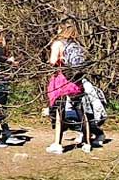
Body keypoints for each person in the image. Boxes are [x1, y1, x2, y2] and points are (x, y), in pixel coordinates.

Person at [46, 22, 91, 155]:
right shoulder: (77, 45)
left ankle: (57, 144)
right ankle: (87, 142)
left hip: (62, 79)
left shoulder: (58, 44)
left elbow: (53, 61)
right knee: (80, 110)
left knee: (60, 111)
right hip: (76, 80)